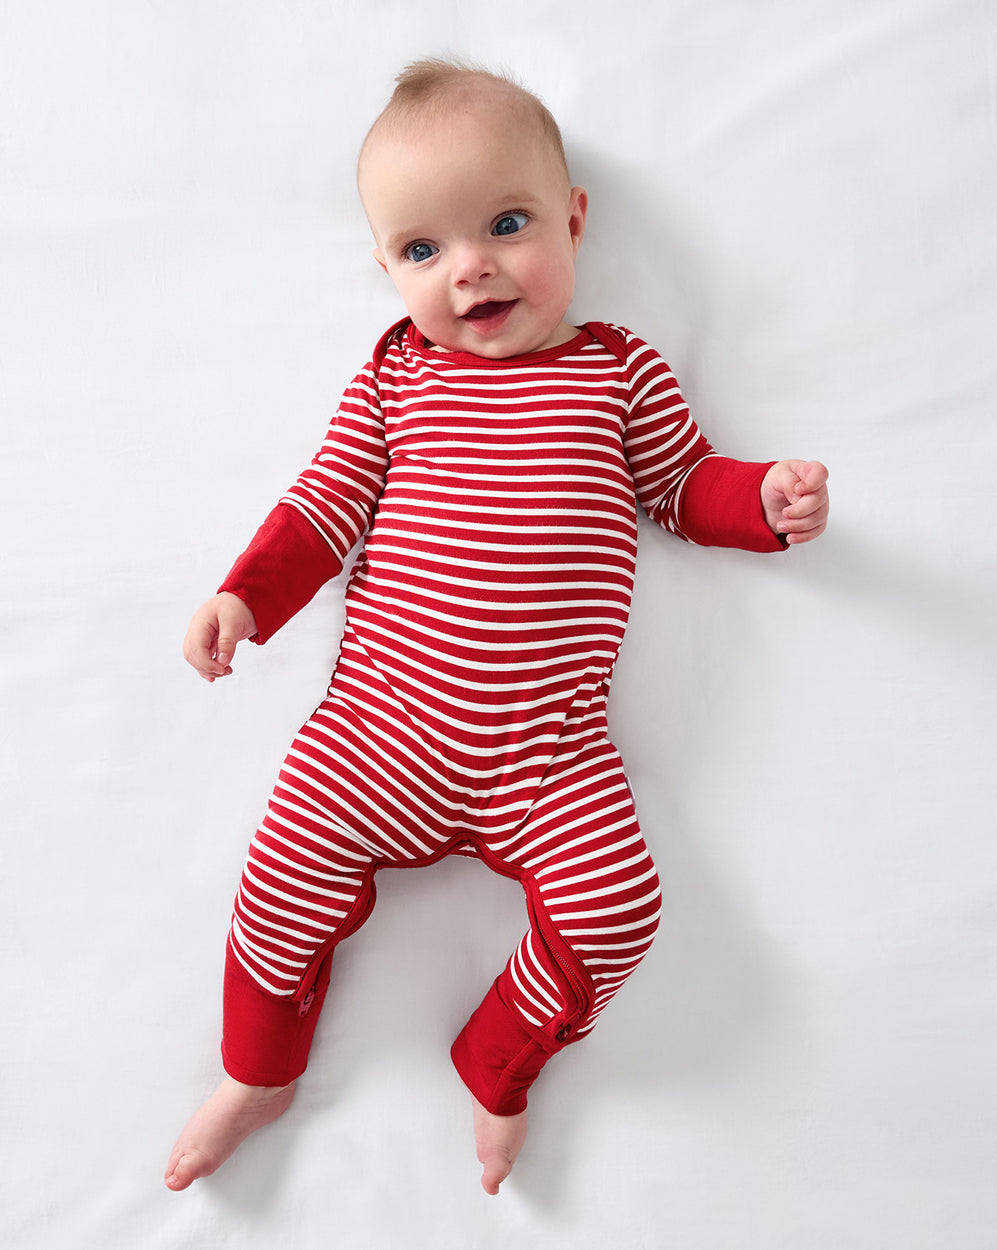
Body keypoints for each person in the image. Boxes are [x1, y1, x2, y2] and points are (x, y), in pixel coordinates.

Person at [164, 58, 829, 1197]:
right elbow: (320, 509)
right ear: (385, 270)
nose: (469, 265)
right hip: (379, 737)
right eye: (421, 250)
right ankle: (256, 1066)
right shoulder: (393, 382)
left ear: (573, 219)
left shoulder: (616, 374)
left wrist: (761, 497)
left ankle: (496, 1058)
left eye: (507, 223)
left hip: (549, 756)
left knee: (618, 912)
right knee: (278, 884)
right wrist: (246, 595)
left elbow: (683, 486)